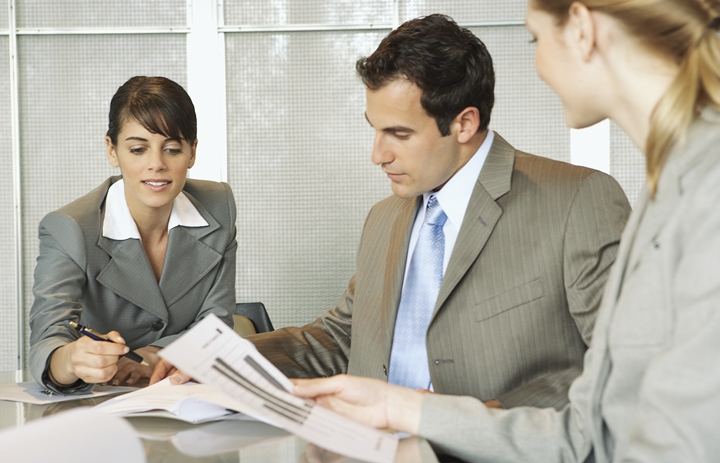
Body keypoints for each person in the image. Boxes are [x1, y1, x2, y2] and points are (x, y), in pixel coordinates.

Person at [292, 2, 720, 463]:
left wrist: (431, 421)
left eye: (535, 39)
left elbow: (664, 441)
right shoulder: (673, 184)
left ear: (581, 27)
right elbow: (588, 428)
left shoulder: (677, 191)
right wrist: (404, 413)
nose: (378, 154)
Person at [154, 15, 630, 411]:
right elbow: (340, 339)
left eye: (399, 134)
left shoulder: (577, 201)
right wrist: (225, 358)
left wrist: (473, 419)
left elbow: (622, 367)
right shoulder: (385, 217)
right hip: (363, 456)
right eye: (374, 130)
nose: (377, 155)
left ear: (465, 123)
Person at [29, 76, 237, 394]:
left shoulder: (218, 206)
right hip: (100, 405)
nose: (156, 164)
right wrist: (70, 360)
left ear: (192, 153)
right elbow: (49, 333)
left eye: (172, 149)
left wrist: (150, 357)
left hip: (185, 395)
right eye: (138, 149)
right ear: (112, 150)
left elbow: (217, 322)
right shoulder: (69, 227)